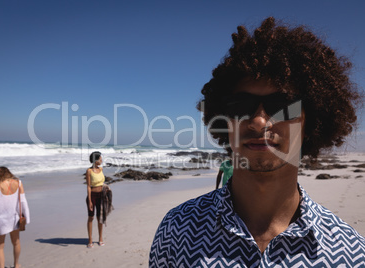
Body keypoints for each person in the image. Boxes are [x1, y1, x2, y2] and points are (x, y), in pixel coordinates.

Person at [149, 17, 365, 267]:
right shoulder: (175, 230)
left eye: (283, 106)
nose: (260, 122)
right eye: (241, 106)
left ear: (311, 123)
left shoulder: (351, 253)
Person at [0, 166, 30, 268]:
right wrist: (27, 217)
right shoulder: (18, 183)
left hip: (1, 221)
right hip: (15, 218)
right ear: (8, 173)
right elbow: (23, 201)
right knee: (16, 243)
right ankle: (16, 265)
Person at [86, 151, 113, 248]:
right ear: (95, 160)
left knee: (99, 217)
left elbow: (102, 182)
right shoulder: (89, 171)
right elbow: (89, 186)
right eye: (100, 159)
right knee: (91, 217)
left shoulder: (101, 169)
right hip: (92, 196)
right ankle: (90, 239)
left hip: (101, 196)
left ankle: (100, 238)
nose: (101, 160)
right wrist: (89, 201)